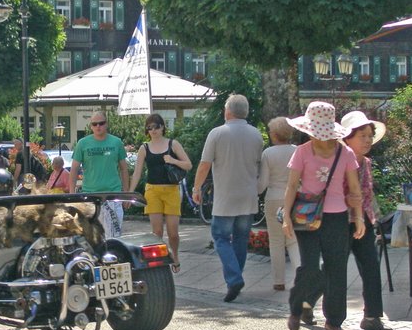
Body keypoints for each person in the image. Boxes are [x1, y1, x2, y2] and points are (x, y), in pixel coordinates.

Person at [282, 102, 364, 330]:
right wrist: (286, 216)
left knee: (336, 269)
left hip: (337, 217)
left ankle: (334, 321)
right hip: (306, 217)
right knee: (309, 267)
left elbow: (355, 189)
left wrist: (358, 218)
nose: (315, 135)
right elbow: (291, 186)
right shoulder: (302, 152)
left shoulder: (345, 153)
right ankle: (298, 307)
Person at [193, 94, 263, 302]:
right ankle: (236, 277)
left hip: (225, 196)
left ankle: (234, 278)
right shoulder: (256, 134)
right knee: (241, 239)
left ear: (228, 111)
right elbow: (258, 163)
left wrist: (197, 188)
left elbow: (205, 164)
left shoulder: (217, 133)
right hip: (248, 195)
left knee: (221, 237)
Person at [340, 110, 393, 330]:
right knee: (333, 269)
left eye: (370, 135)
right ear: (348, 137)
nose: (368, 140)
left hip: (365, 222)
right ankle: (305, 302)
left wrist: (372, 219)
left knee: (371, 267)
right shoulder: (339, 161)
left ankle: (372, 316)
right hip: (341, 221)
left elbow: (367, 195)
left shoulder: (367, 163)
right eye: (362, 135)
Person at [129, 114, 192, 272]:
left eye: (156, 126)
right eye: (149, 127)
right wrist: (130, 193)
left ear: (163, 127)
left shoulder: (173, 144)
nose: (153, 130)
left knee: (173, 233)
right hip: (153, 191)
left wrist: (173, 160)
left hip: (171, 190)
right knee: (156, 232)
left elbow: (188, 165)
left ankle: (175, 255)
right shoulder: (144, 148)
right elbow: (137, 173)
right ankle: (159, 260)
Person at [69, 112, 129, 239]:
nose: (98, 126)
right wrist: (72, 194)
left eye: (101, 123)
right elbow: (74, 169)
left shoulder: (116, 142)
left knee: (114, 238)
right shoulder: (82, 143)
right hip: (90, 197)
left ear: (106, 124)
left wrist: (126, 193)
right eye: (94, 124)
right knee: (92, 237)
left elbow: (124, 169)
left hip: (113, 196)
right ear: (91, 126)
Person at [258, 117, 301, 291]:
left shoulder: (268, 153)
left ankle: (278, 281)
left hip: (273, 198)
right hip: (294, 198)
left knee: (276, 241)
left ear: (274, 134)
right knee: (294, 240)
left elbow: (262, 183)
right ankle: (300, 276)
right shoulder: (297, 151)